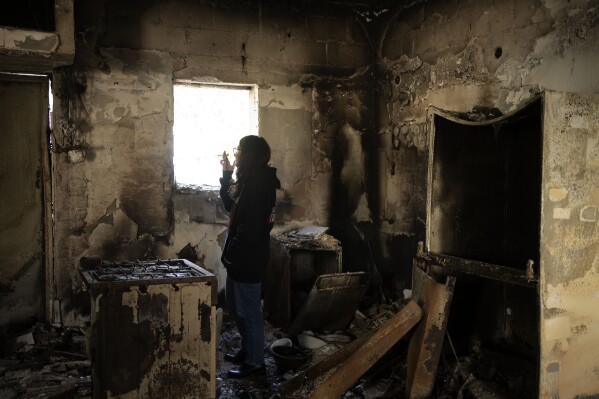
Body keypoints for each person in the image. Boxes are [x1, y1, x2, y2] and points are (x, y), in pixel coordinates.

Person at [219, 135, 281, 378]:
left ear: (250, 155)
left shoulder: (259, 184)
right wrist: (226, 173)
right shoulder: (247, 180)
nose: (236, 153)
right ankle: (247, 351)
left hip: (248, 257)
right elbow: (229, 204)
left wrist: (231, 254)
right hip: (239, 255)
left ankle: (256, 363)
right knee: (236, 306)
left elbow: (251, 230)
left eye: (239, 150)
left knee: (250, 312)